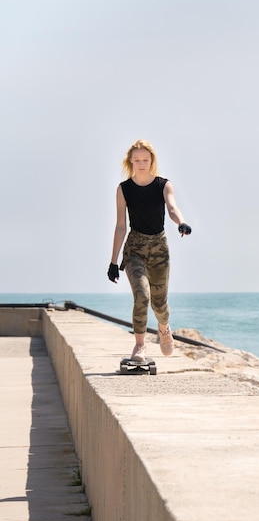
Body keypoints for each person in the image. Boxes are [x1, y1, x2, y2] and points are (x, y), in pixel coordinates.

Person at [107, 139, 191, 362]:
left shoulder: (163, 185)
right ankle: (139, 346)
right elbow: (120, 226)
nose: (141, 164)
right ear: (130, 162)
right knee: (142, 296)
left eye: (145, 160)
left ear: (151, 160)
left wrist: (181, 222)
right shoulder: (123, 189)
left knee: (159, 303)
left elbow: (172, 208)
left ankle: (164, 329)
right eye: (137, 160)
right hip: (134, 249)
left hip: (159, 249)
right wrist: (113, 262)